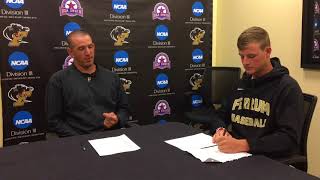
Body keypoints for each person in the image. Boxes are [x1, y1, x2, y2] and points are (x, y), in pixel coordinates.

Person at [212, 26, 304, 158]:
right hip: (235, 155)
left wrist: (245, 145)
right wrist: (220, 130)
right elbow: (220, 114)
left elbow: (288, 139)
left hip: (269, 159)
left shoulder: (287, 87)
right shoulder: (240, 84)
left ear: (268, 52)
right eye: (241, 56)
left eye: (251, 56)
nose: (245, 62)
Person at [46, 30, 130, 137]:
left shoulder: (112, 77)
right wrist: (80, 139)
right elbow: (54, 121)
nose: (88, 53)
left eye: (90, 47)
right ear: (70, 52)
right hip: (77, 141)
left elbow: (124, 109)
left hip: (110, 137)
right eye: (81, 48)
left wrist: (117, 119)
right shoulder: (58, 80)